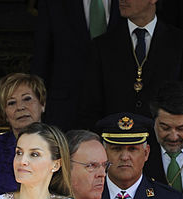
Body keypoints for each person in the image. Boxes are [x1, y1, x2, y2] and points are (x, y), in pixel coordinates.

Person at [79, 0, 183, 123]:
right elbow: (91, 105)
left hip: (163, 138)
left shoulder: (182, 44)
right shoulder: (102, 45)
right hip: (115, 137)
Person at [30, 0, 122, 130]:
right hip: (65, 113)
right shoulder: (52, 3)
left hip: (120, 112)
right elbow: (41, 58)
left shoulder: (133, 4)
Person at [0, 72, 46, 199]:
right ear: (5, 113)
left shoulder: (58, 145)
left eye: (27, 99)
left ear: (42, 104)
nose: (20, 107)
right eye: (12, 103)